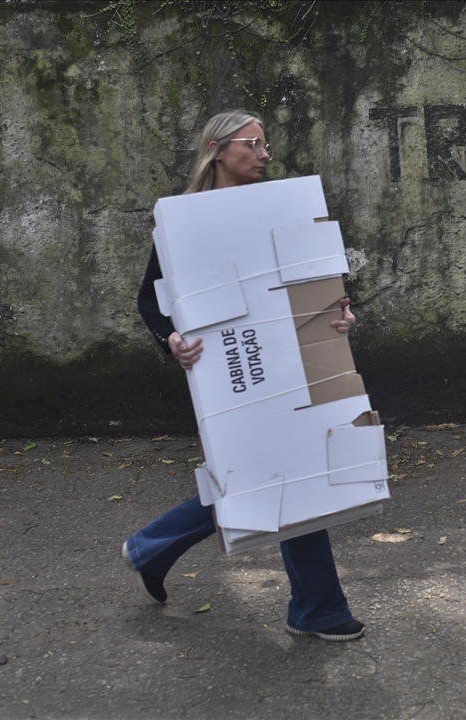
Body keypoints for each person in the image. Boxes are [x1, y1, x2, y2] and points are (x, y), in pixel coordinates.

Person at [124, 110, 364, 641]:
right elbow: (149, 298)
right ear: (217, 149)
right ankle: (318, 610)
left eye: (266, 145)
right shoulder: (185, 220)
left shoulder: (277, 209)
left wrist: (338, 315)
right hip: (228, 368)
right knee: (266, 475)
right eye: (252, 144)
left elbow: (316, 282)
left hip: (290, 358)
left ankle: (153, 548)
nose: (264, 154)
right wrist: (171, 338)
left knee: (284, 473)